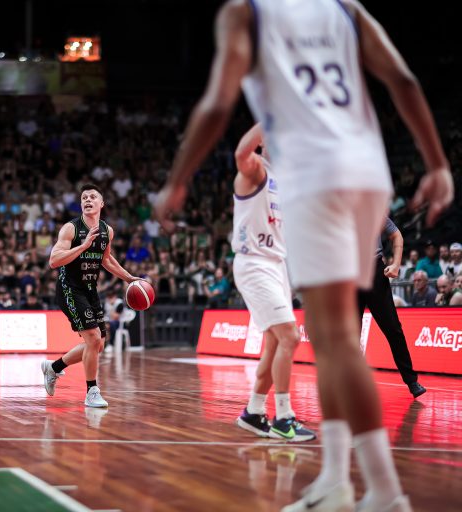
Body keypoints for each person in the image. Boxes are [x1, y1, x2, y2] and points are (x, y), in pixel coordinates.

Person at [153, 1, 453, 510]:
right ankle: (341, 479)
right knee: (334, 342)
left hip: (318, 175)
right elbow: (402, 80)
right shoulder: (345, 8)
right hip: (366, 174)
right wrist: (437, 163)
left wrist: (178, 179)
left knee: (333, 342)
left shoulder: (246, 13)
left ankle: (376, 489)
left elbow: (217, 106)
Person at [232, 124, 315, 442]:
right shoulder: (256, 170)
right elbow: (241, 152)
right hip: (255, 263)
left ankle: (254, 411)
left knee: (275, 342)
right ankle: (284, 418)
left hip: (277, 265)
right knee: (290, 336)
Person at [42, 184, 142, 408]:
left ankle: (53, 368)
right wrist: (84, 245)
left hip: (90, 289)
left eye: (92, 197)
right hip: (69, 288)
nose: (88, 200)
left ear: (101, 203)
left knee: (98, 345)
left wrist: (129, 278)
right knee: (94, 338)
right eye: (84, 197)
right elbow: (54, 260)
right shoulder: (71, 228)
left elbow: (106, 259)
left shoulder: (107, 231)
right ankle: (91, 391)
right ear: (81, 204)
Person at [358, 218, 425, 398]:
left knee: (393, 328)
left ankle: (411, 381)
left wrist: (396, 264)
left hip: (374, 271)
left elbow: (396, 235)